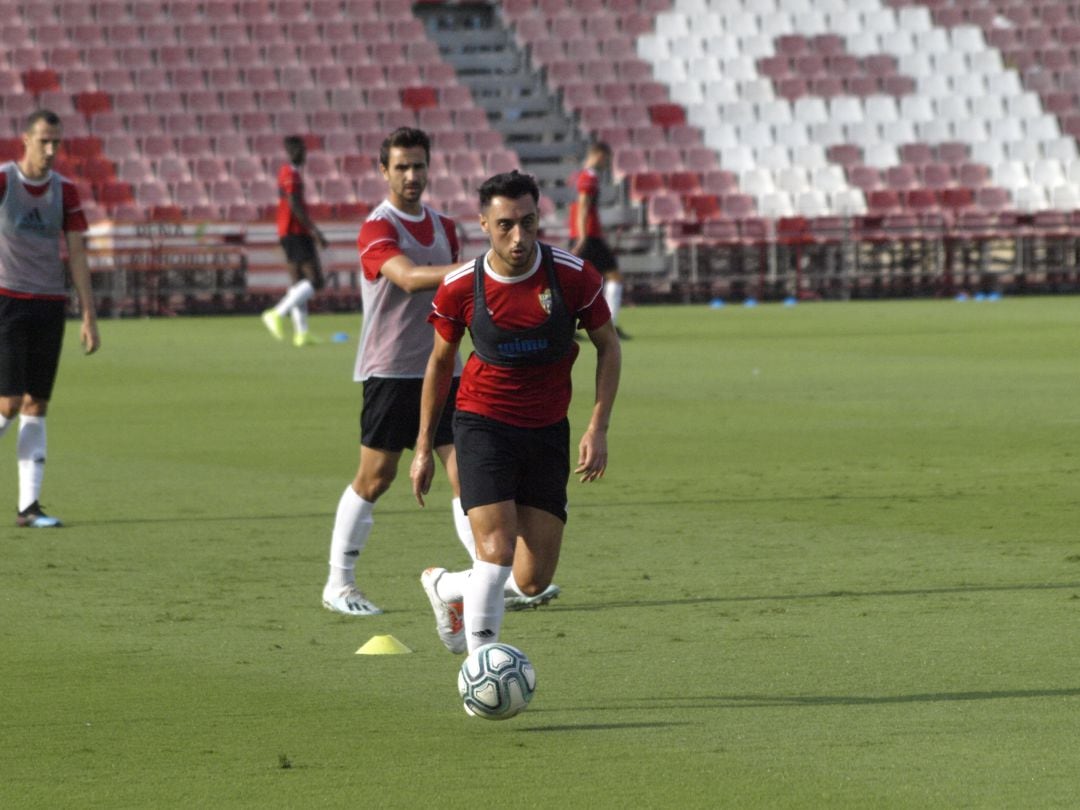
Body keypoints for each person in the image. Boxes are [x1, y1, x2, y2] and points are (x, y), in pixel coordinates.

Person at [410, 170, 621, 654]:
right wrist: (424, 446)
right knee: (496, 552)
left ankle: (446, 586)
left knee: (531, 580)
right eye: (505, 225)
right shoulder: (461, 286)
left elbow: (608, 347)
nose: (519, 236)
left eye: (528, 222)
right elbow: (441, 364)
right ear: (483, 224)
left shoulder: (571, 275)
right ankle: (481, 667)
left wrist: (598, 426)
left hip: (547, 431)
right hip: (483, 424)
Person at [0, 109, 100, 528]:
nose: (50, 149)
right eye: (43, 140)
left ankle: (29, 508)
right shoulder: (5, 180)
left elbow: (77, 253)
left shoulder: (67, 191)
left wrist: (89, 315)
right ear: (24, 140)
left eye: (56, 141)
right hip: (7, 300)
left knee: (37, 403)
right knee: (7, 401)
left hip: (49, 303)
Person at [261, 135, 328, 348]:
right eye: (301, 150)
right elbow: (294, 204)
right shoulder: (290, 173)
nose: (304, 154)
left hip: (288, 232)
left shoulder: (291, 173)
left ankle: (302, 333)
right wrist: (314, 231)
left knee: (299, 284)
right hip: (295, 232)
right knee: (316, 280)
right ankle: (277, 313)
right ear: (293, 152)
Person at [569, 141, 630, 339]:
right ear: (599, 155)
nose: (607, 164)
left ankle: (567, 327)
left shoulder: (583, 176)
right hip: (589, 237)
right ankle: (610, 325)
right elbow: (583, 207)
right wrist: (583, 236)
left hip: (586, 235)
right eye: (606, 159)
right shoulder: (589, 178)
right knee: (614, 277)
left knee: (572, 282)